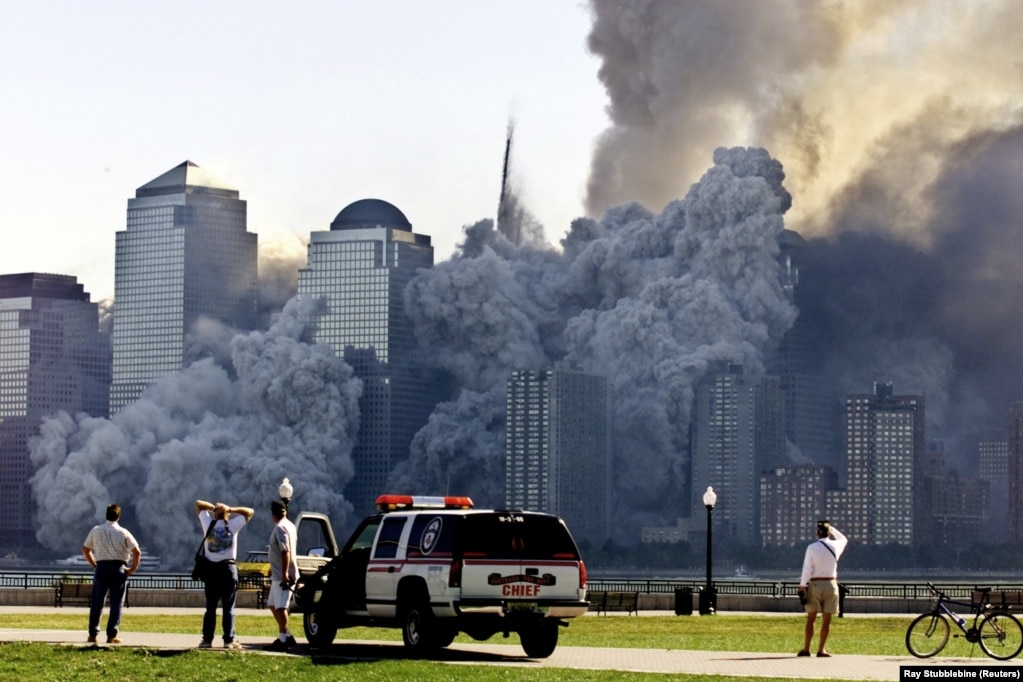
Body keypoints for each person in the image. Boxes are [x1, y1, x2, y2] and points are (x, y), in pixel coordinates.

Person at [196, 499, 254, 649]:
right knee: (228, 607)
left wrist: (214, 507)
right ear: (226, 515)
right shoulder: (233, 525)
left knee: (210, 608)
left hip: (211, 571)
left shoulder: (208, 523)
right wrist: (230, 509)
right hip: (228, 570)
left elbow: (198, 504)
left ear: (215, 515)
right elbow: (250, 512)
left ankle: (207, 640)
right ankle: (229, 640)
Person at [81, 503, 141, 644]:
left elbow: (85, 549)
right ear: (118, 516)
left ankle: (92, 635)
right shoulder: (123, 532)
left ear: (106, 515)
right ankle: (111, 635)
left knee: (97, 603)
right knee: (116, 603)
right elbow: (136, 551)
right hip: (118, 569)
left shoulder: (96, 530)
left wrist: (93, 564)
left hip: (101, 568)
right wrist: (132, 569)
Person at [796, 520, 848, 658]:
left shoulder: (812, 547)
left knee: (811, 619)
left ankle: (806, 648)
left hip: (815, 584)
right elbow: (843, 539)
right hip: (831, 584)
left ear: (817, 533)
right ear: (828, 532)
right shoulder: (836, 545)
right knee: (827, 620)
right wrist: (832, 529)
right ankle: (821, 649)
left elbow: (807, 569)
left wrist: (802, 586)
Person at [264, 499, 299, 651]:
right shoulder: (290, 525)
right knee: (272, 605)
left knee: (280, 607)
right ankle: (288, 636)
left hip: (283, 576)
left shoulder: (280, 528)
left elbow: (286, 551)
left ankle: (283, 640)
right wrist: (274, 567)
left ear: (273, 514)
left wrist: (284, 573)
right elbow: (281, 551)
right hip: (278, 573)